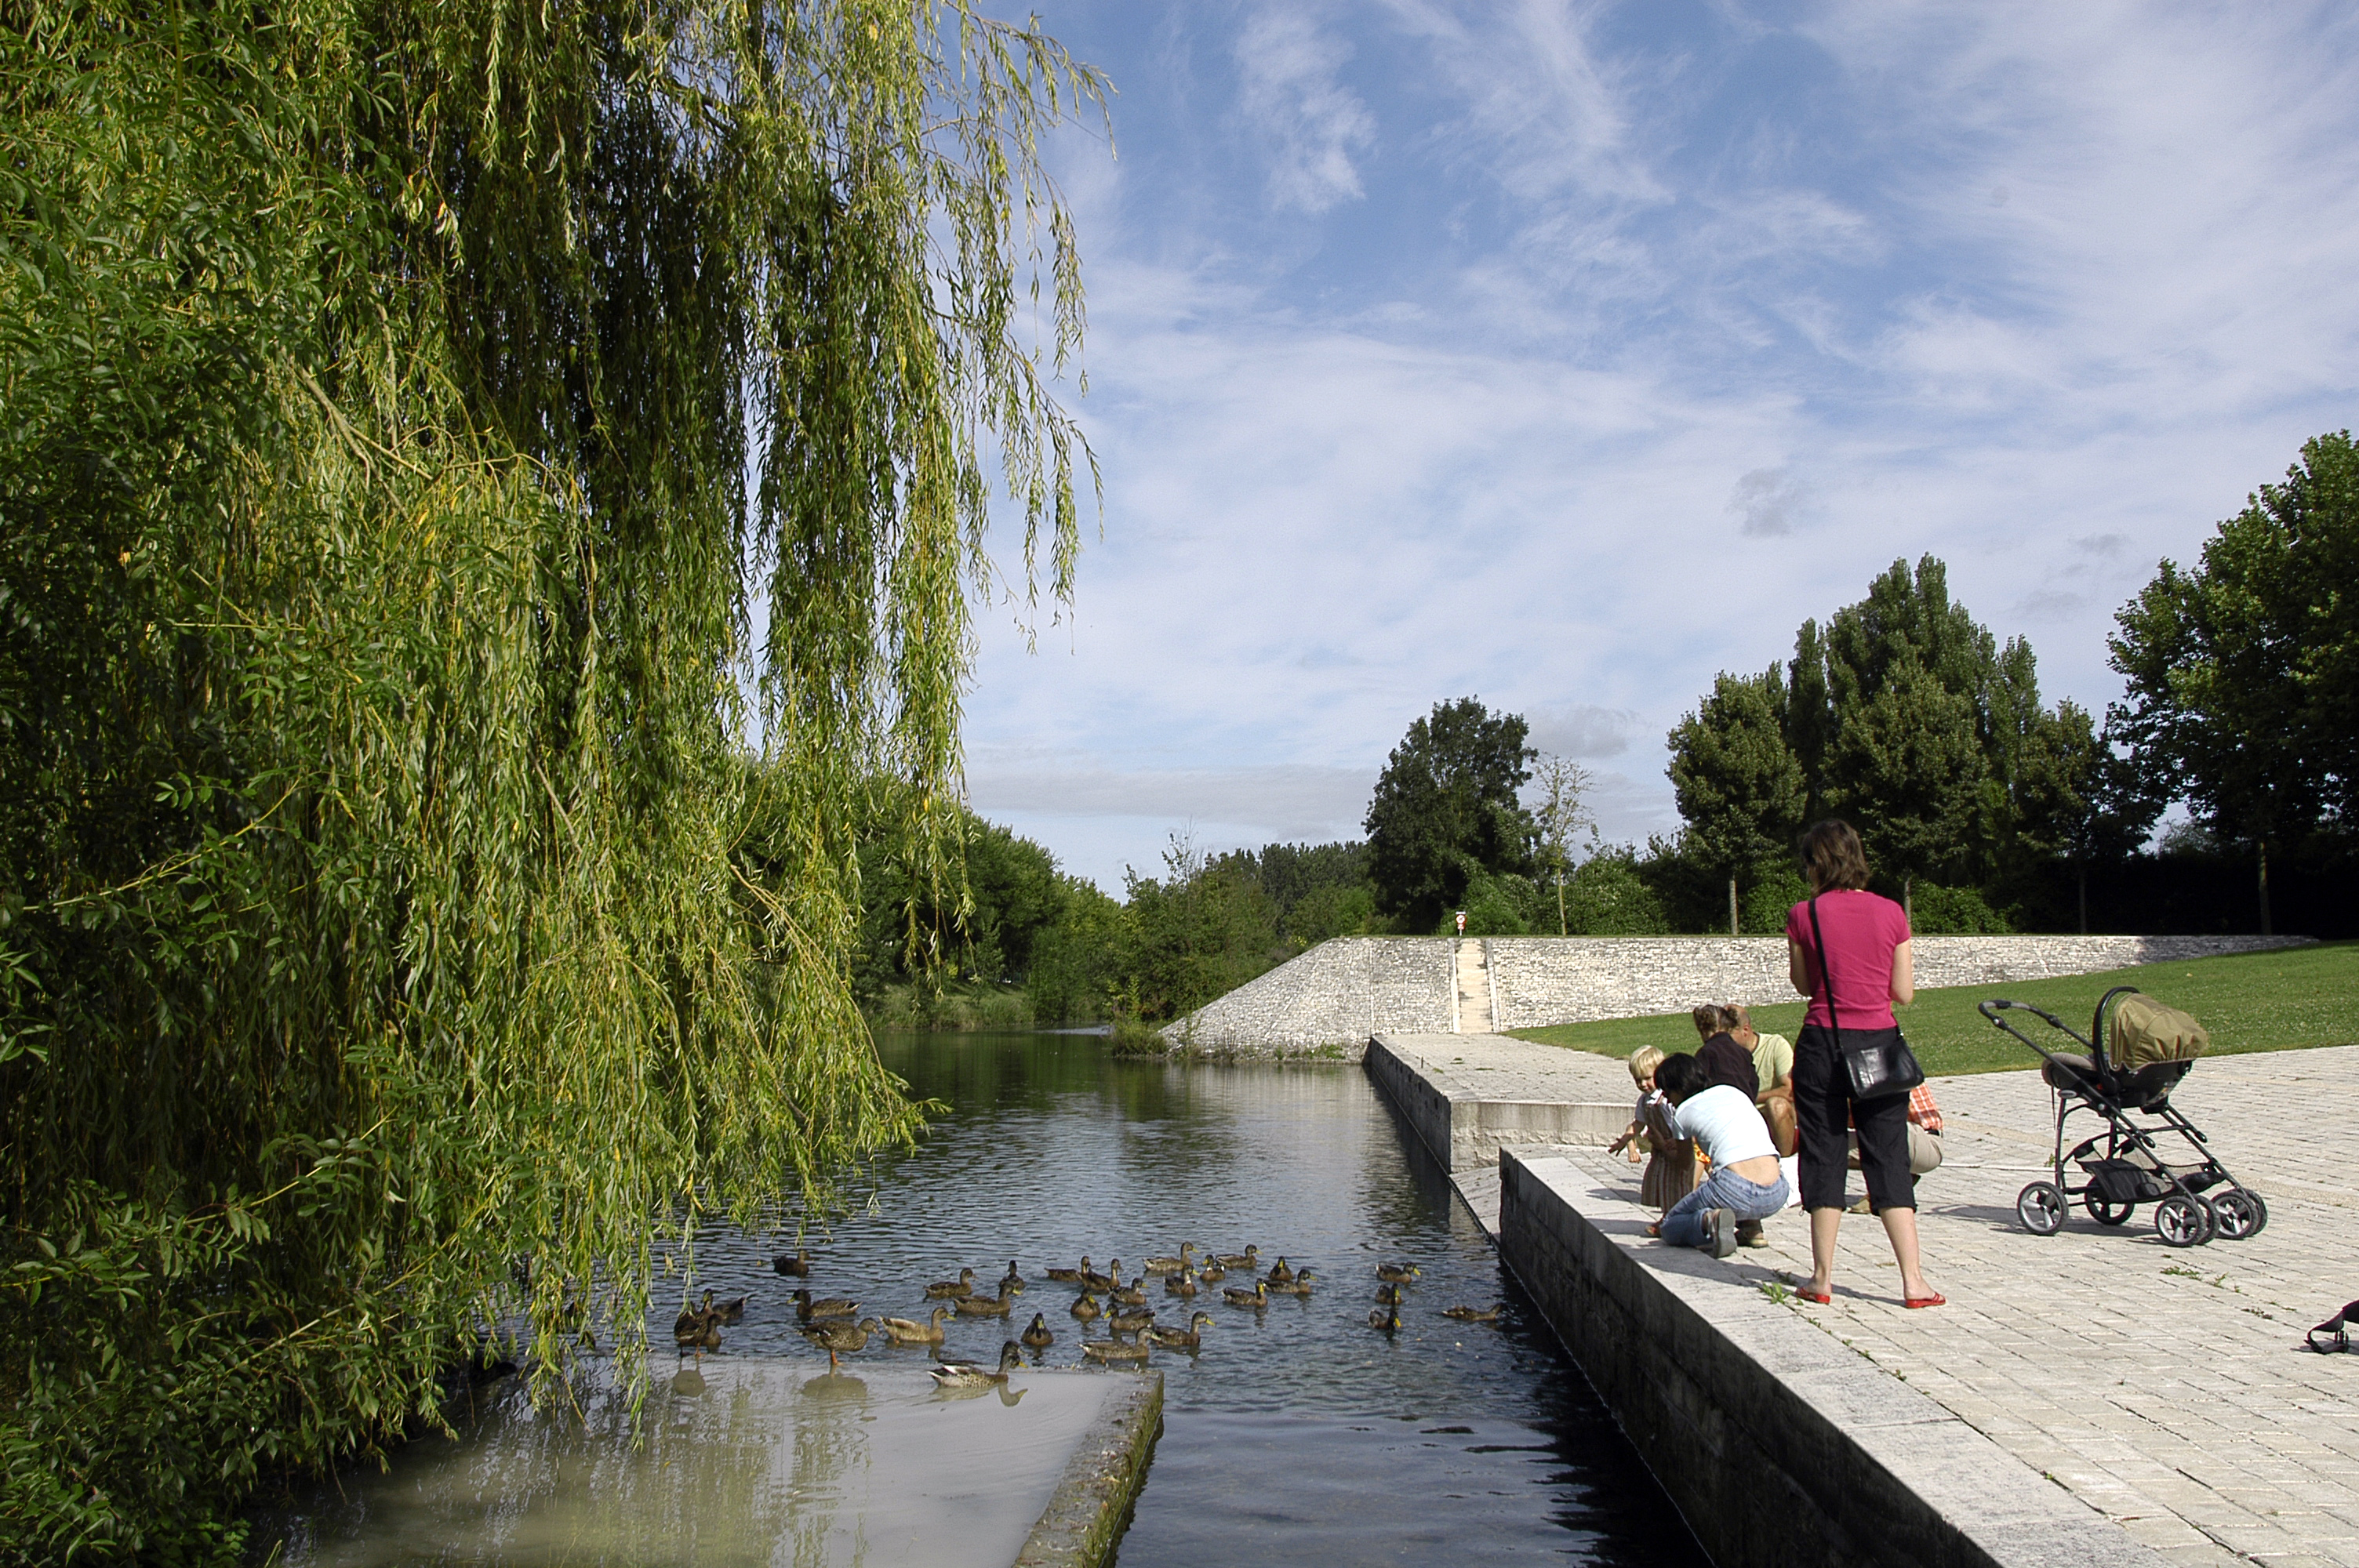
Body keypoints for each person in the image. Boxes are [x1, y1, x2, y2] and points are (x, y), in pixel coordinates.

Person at [1785, 819, 1942, 1308]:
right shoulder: (1892, 912)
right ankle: (1914, 1282)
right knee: (1887, 1153)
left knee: (1823, 1152)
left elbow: (1804, 985)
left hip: (1821, 1044)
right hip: (1879, 1046)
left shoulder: (1803, 914)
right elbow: (1904, 993)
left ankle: (1822, 1278)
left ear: (1816, 864)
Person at [1647, 1052, 1790, 1258]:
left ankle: (1710, 1221)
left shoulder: (1683, 1112)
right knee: (1743, 1170)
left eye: (1667, 1092)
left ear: (1677, 1088)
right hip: (1777, 1191)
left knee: (1670, 1225)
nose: (1667, 1100)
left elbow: (1685, 1164)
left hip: (1734, 1189)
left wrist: (1660, 1144)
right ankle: (1752, 1228)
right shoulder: (1732, 1091)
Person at [1607, 1046, 1697, 1214]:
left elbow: (1683, 1122)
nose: (1643, 1084)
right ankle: (1667, 1214)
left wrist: (1678, 1139)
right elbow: (1638, 1123)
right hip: (1659, 1152)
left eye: (1648, 1078)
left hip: (1676, 1147)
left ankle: (1680, 1216)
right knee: (1663, 1185)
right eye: (1638, 1080)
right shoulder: (1644, 1101)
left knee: (1678, 1186)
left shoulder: (1667, 1098)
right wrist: (1625, 1140)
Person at [1845, 1081, 1945, 1212]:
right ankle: (1893, 1184)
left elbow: (1926, 1123)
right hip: (1895, 1137)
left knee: (1882, 1126)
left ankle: (1887, 1190)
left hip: (1925, 1140)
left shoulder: (1895, 1072)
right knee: (1824, 1142)